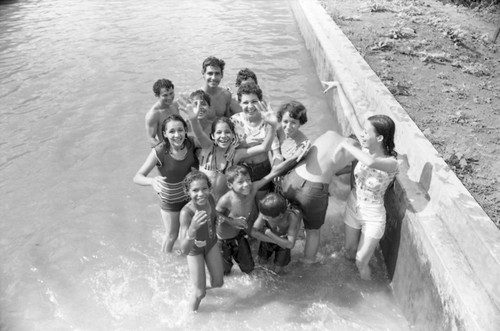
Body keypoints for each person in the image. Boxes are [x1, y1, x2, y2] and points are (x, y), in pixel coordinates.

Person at [180, 96, 279, 202]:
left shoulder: (236, 155)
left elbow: (264, 147)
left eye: (227, 132)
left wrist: (272, 126)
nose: (223, 136)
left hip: (224, 204)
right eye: (218, 132)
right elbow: (199, 133)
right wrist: (193, 120)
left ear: (233, 135)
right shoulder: (208, 147)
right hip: (202, 200)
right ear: (212, 136)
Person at [133, 114, 199, 253]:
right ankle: (166, 264)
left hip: (190, 198)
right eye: (172, 131)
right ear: (165, 134)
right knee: (172, 235)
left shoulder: (191, 143)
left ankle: (188, 259)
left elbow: (209, 145)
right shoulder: (160, 152)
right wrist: (151, 181)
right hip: (171, 201)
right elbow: (137, 177)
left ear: (186, 130)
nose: (177, 135)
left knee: (191, 232)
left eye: (180, 130)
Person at [216, 164, 285, 275]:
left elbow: (273, 173)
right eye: (240, 182)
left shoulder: (253, 188)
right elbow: (214, 213)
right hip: (222, 241)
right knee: (224, 272)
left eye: (248, 180)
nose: (246, 184)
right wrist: (231, 221)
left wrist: (296, 157)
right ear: (230, 185)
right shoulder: (226, 200)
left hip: (238, 236)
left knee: (249, 268)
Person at [179, 171, 224, 311]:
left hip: (210, 244)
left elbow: (215, 214)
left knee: (218, 283)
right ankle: (190, 318)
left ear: (209, 188)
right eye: (195, 190)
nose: (201, 194)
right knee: (200, 294)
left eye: (204, 188)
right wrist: (192, 229)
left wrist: (231, 221)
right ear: (188, 192)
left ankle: (198, 286)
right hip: (194, 250)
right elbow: (184, 250)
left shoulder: (210, 199)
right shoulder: (186, 213)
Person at [231, 81, 280, 201]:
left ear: (260, 101)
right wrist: (245, 142)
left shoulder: (268, 121)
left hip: (262, 169)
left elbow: (276, 152)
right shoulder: (234, 121)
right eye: (245, 102)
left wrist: (276, 168)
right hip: (240, 169)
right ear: (239, 103)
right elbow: (228, 151)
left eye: (254, 101)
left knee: (261, 203)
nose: (250, 106)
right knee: (243, 205)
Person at [251, 192, 301, 274]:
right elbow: (253, 232)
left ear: (280, 216)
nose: (263, 218)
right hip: (271, 241)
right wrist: (278, 241)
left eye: (267, 217)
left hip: (281, 243)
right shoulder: (264, 211)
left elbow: (291, 245)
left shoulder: (291, 218)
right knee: (261, 263)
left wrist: (269, 233)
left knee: (278, 271)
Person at [145, 79, 180, 147]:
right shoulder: (153, 114)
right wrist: (166, 149)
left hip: (181, 144)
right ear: (157, 95)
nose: (169, 97)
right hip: (167, 149)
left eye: (171, 93)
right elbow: (151, 139)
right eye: (165, 95)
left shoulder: (175, 104)